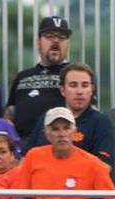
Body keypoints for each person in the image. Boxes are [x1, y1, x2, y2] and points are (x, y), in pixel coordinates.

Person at [7, 107, 115, 199]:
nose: (61, 134)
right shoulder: (33, 156)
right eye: (55, 129)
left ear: (75, 132)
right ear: (46, 134)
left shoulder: (93, 164)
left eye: (66, 128)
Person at [6, 16, 72, 150]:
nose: (55, 41)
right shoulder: (23, 76)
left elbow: (89, 114)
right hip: (21, 146)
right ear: (38, 42)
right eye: (49, 36)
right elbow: (9, 113)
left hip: (57, 145)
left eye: (62, 37)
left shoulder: (75, 76)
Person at [31, 63, 114, 166]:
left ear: (91, 89)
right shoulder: (46, 118)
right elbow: (26, 160)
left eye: (85, 85)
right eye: (73, 85)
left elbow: (104, 167)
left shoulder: (100, 122)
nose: (79, 91)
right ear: (62, 90)